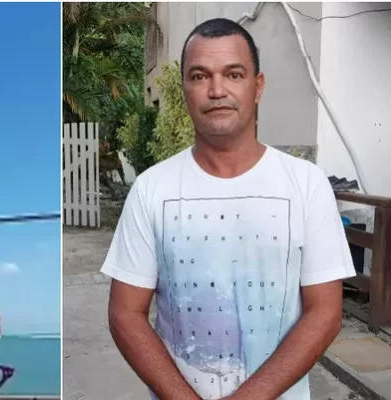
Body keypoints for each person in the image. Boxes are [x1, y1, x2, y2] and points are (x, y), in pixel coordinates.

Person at [101, 18, 356, 400]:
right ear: (185, 89)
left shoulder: (306, 184)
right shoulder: (152, 189)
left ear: (258, 86)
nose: (217, 90)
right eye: (200, 76)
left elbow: (325, 313)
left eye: (233, 74)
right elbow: (125, 314)